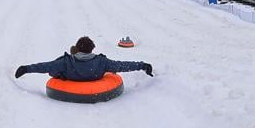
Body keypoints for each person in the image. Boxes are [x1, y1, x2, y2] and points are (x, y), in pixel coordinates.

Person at [15, 36, 153, 81]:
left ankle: (73, 58)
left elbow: (45, 66)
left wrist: (26, 69)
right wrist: (143, 65)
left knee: (56, 66)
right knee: (112, 68)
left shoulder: (66, 62)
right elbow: (122, 65)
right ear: (92, 49)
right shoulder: (101, 62)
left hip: (71, 74)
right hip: (93, 74)